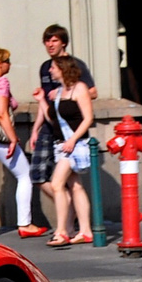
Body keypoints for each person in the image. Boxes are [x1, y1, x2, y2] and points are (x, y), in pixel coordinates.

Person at [0, 49, 47, 241]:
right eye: (8, 61)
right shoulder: (1, 82)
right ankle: (25, 224)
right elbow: (2, 113)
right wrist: (13, 138)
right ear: (0, 64)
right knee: (25, 175)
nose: (10, 64)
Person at [28, 24, 96, 208]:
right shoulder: (46, 67)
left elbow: (92, 92)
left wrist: (65, 93)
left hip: (68, 128)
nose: (50, 44)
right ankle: (68, 209)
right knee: (38, 175)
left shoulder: (76, 65)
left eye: (54, 40)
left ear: (63, 43)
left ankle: (71, 220)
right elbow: (44, 102)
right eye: (47, 41)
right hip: (49, 124)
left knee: (70, 182)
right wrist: (35, 129)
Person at [35, 55, 96, 246]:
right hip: (61, 144)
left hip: (75, 145)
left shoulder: (80, 88)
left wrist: (73, 139)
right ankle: (85, 231)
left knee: (56, 184)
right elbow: (53, 119)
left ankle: (62, 231)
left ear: (63, 68)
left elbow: (88, 118)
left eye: (53, 67)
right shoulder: (59, 92)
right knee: (75, 186)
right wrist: (41, 101)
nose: (50, 70)